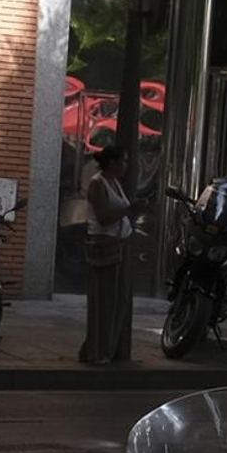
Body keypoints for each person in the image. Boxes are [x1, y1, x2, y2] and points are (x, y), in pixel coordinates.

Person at [79, 141, 145, 366]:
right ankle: (97, 349)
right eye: (123, 161)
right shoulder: (98, 184)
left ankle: (105, 346)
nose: (125, 165)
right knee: (103, 300)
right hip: (103, 243)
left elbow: (120, 214)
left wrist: (131, 212)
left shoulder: (115, 183)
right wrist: (129, 210)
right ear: (112, 162)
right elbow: (103, 217)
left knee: (116, 299)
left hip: (119, 243)